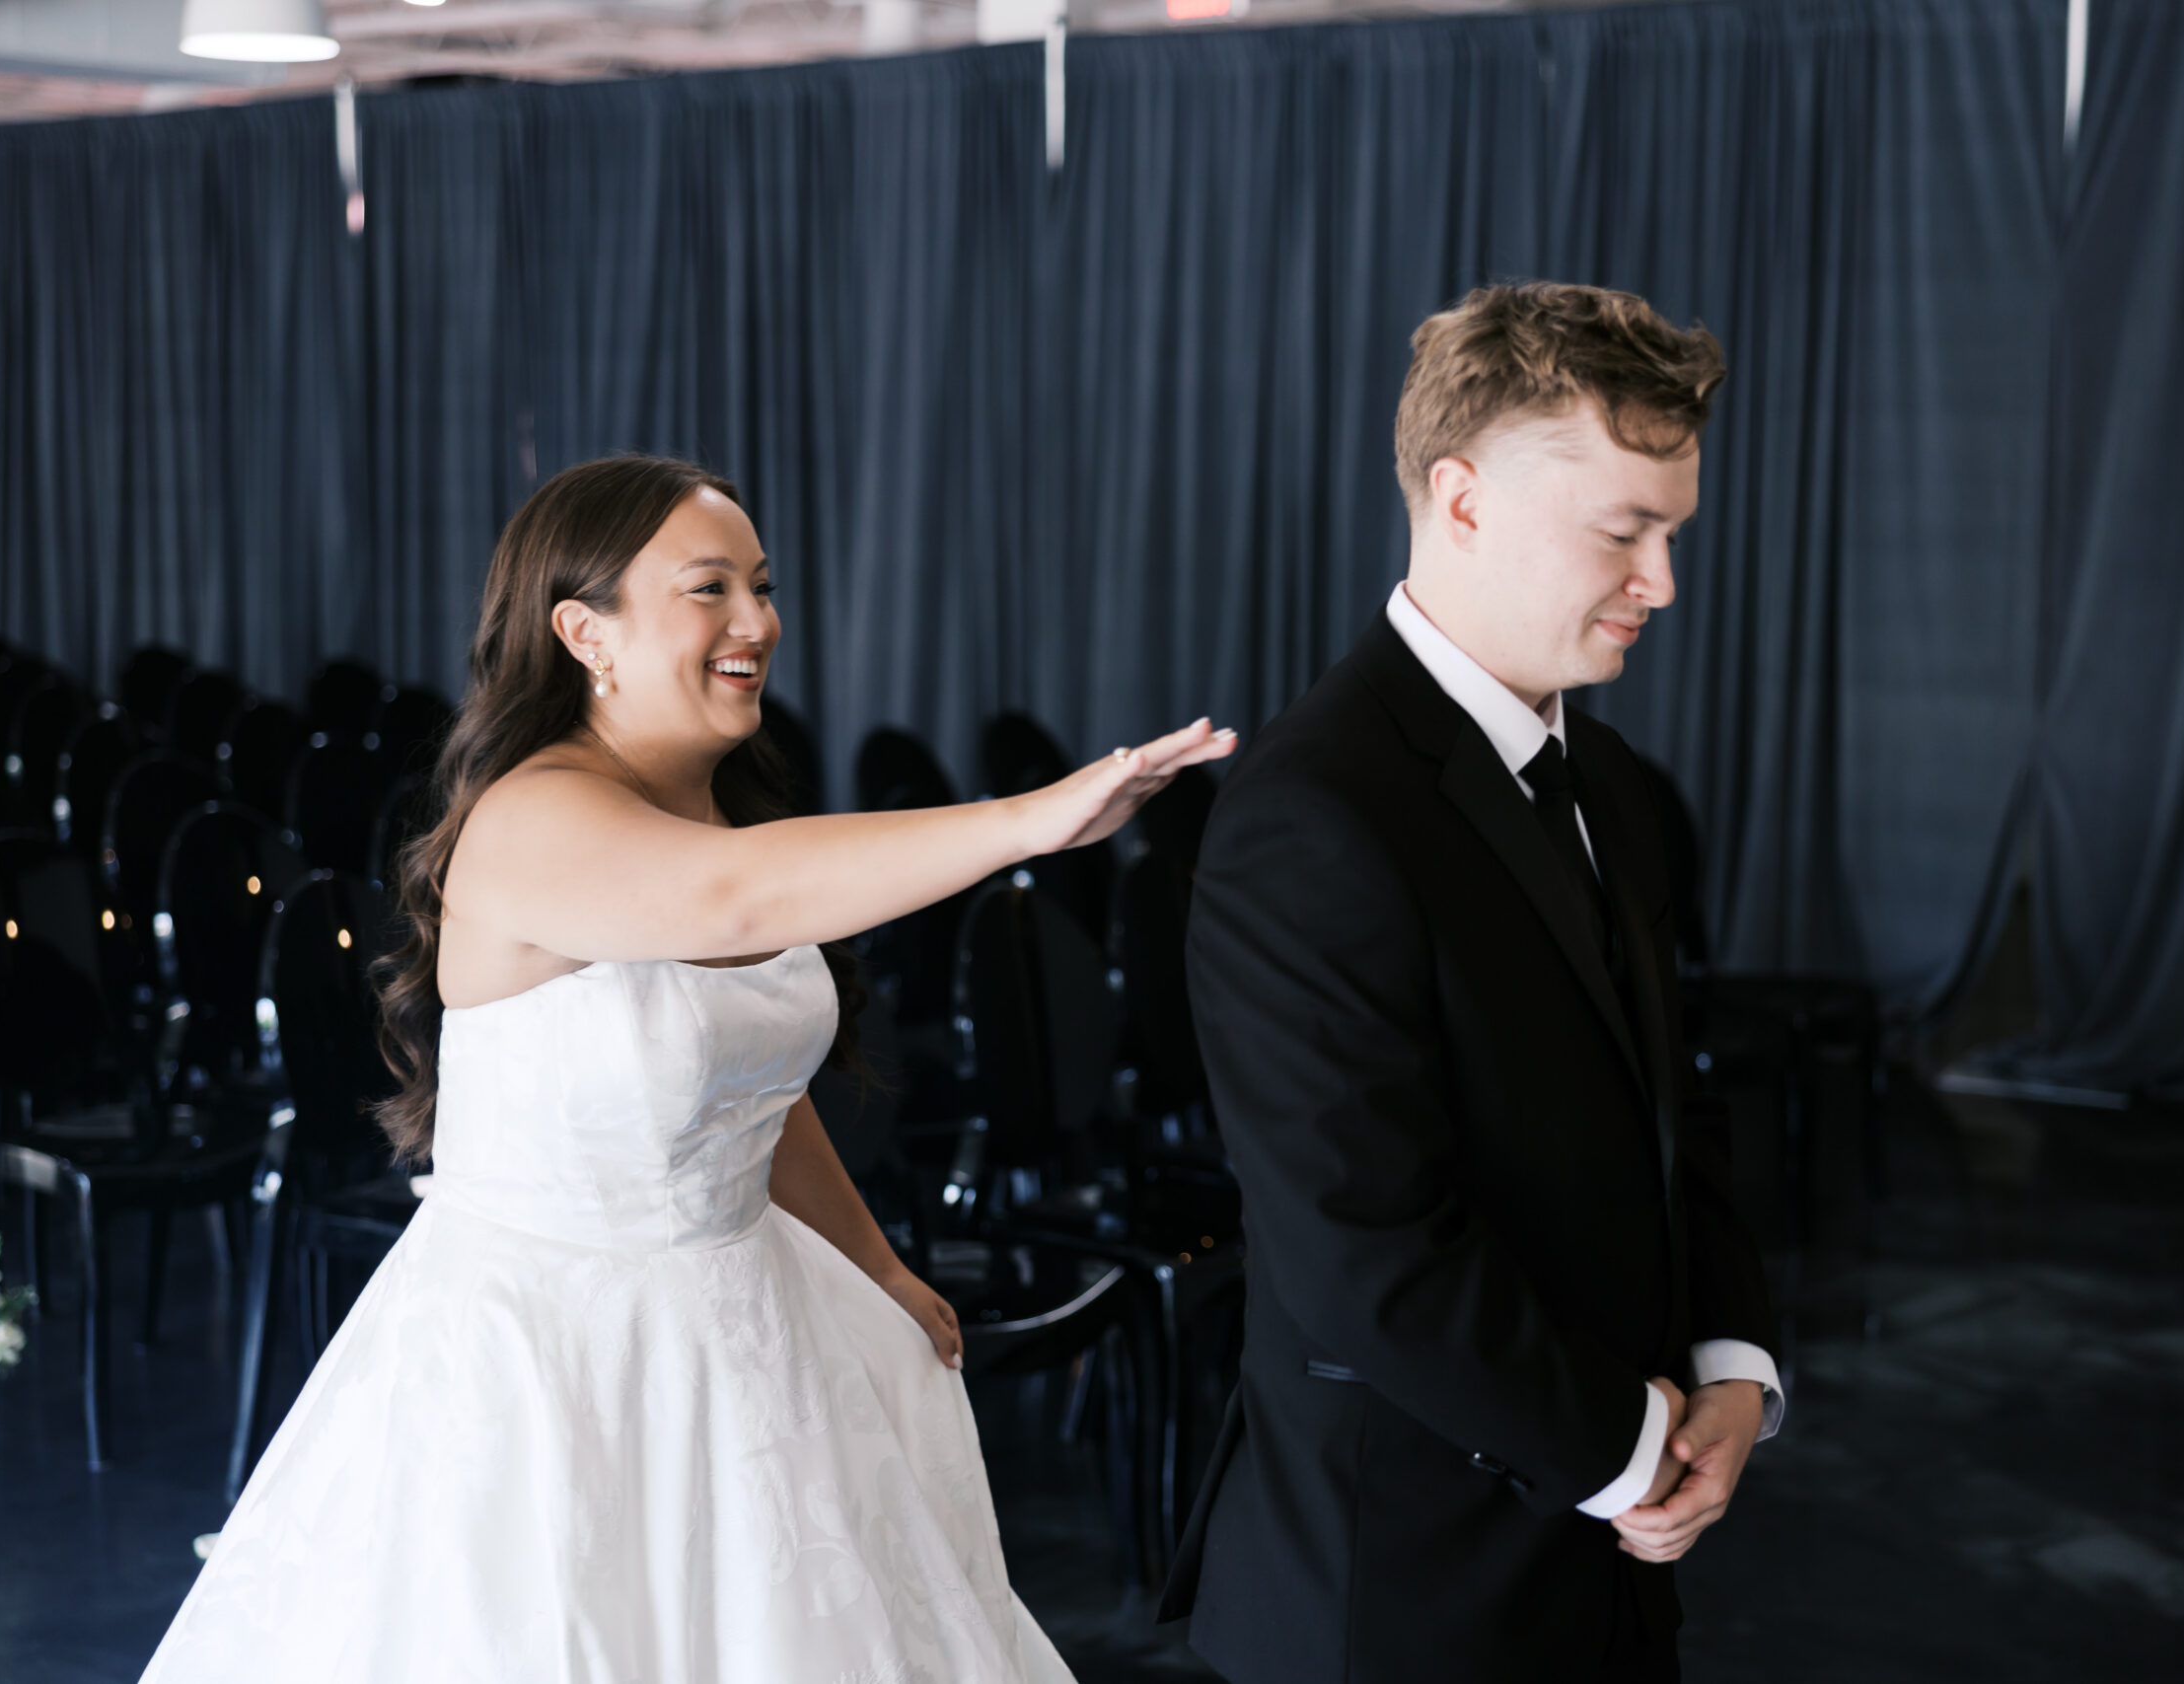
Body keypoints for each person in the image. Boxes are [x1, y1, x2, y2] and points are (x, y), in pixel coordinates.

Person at [143, 455, 1234, 1683]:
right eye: (709, 589)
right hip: (551, 1360)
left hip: (747, 1321)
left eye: (762, 589)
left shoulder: (707, 807)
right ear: (584, 635)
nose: (757, 624)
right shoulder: (532, 818)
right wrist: (1027, 821)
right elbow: (734, 898)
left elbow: (747, 1096)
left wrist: (875, 1265)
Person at [1161, 282, 1781, 1682]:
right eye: (1625, 531)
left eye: (1672, 534)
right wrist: (1634, 1451)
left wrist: (1733, 1358)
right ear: (1463, 500)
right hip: (1402, 1587)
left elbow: (1675, 1097)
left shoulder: (1610, 780)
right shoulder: (1310, 807)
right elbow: (1359, 1238)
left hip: (1611, 1558)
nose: (1663, 583)